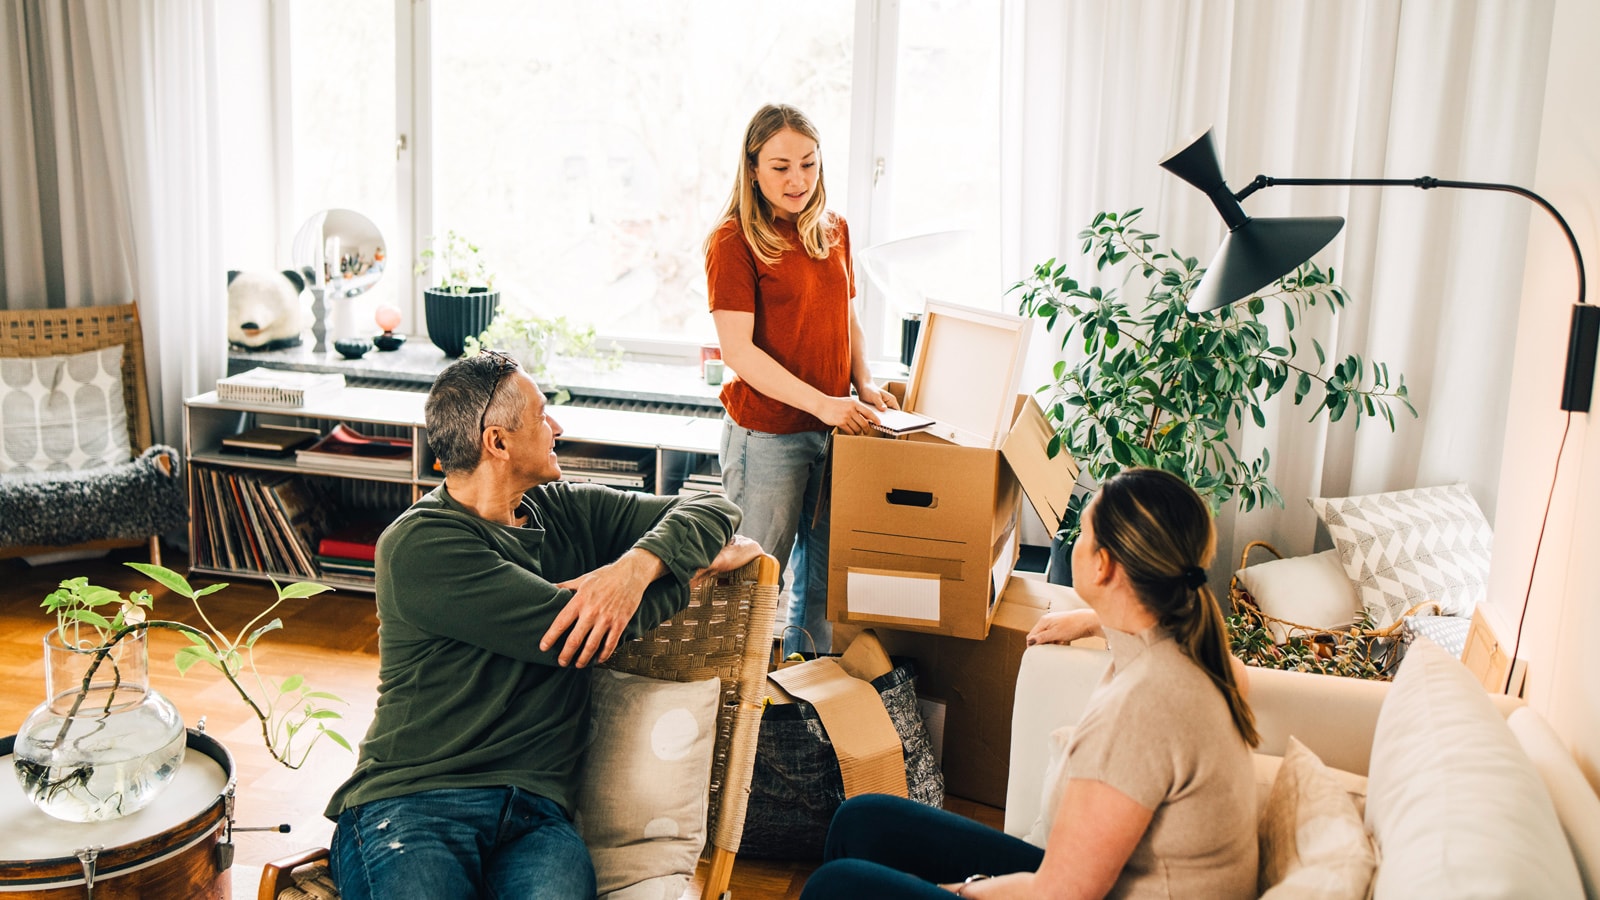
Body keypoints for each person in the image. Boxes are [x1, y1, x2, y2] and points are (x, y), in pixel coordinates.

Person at [325, 350, 761, 900]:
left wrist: (634, 569)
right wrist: (682, 574)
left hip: (535, 817)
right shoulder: (417, 546)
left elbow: (715, 510)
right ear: (498, 441)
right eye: (541, 414)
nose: (557, 426)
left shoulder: (563, 510)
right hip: (416, 802)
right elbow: (572, 637)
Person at [800, 467, 1260, 899]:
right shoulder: (1197, 652)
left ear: (1104, 567)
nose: (1075, 540)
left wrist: (961, 890)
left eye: (1084, 532)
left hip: (1075, 892)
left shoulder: (1142, 707)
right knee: (862, 820)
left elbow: (1061, 892)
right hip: (1106, 881)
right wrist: (1093, 619)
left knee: (837, 887)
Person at [705, 102, 897, 656]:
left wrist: (863, 384)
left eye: (809, 164)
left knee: (825, 579)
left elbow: (847, 317)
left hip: (835, 429)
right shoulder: (732, 241)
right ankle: (741, 708)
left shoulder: (833, 229)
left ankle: (805, 696)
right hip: (768, 436)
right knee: (757, 580)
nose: (798, 180)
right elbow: (739, 351)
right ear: (752, 170)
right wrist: (825, 404)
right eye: (781, 166)